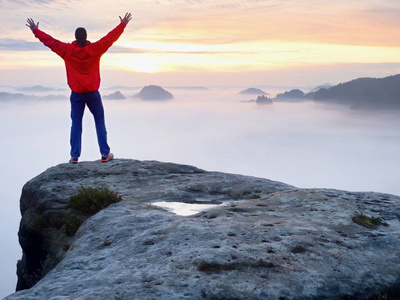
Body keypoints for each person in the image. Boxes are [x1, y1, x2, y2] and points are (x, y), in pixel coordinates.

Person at [26, 13, 132, 163]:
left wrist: (35, 30)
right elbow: (109, 39)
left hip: (77, 94)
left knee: (76, 123)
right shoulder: (94, 49)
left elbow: (50, 42)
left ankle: (74, 156)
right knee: (99, 121)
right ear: (86, 36)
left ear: (75, 38)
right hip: (93, 94)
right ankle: (105, 154)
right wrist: (122, 25)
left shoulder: (67, 50)